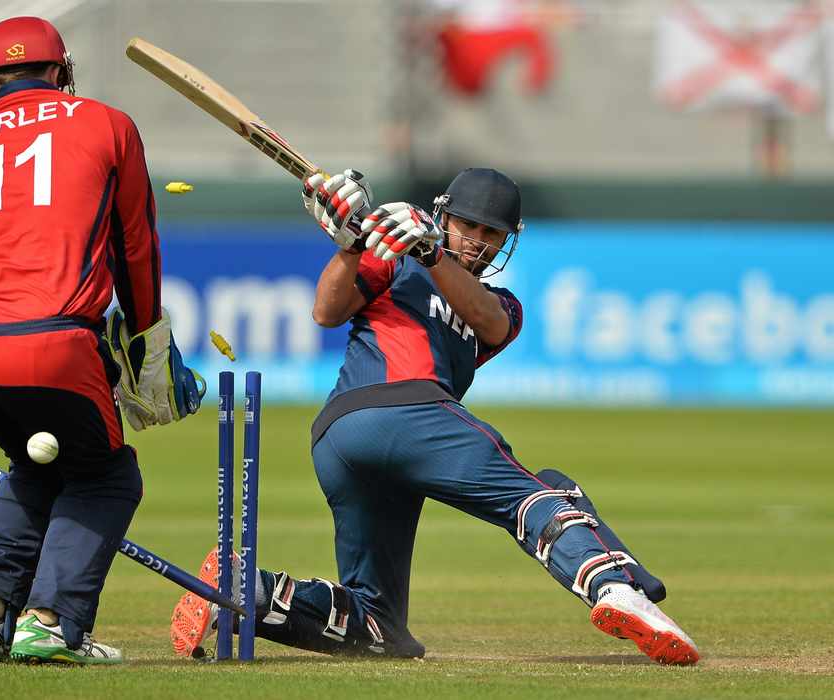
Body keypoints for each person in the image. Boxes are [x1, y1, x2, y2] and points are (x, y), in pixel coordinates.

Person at [171, 168, 699, 666]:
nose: (476, 240)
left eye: (491, 233)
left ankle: (243, 592)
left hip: (345, 442)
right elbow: (326, 311)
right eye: (467, 225)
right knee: (544, 493)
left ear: (506, 240)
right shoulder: (393, 264)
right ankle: (615, 588)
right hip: (397, 412)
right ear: (444, 217)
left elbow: (485, 319)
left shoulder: (501, 304)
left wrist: (428, 252)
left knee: (382, 630)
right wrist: (352, 242)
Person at [0, 16, 202, 665]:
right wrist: (145, 341)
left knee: (36, 463)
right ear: (61, 71)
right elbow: (134, 244)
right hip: (51, 341)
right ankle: (52, 620)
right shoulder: (107, 123)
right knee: (106, 476)